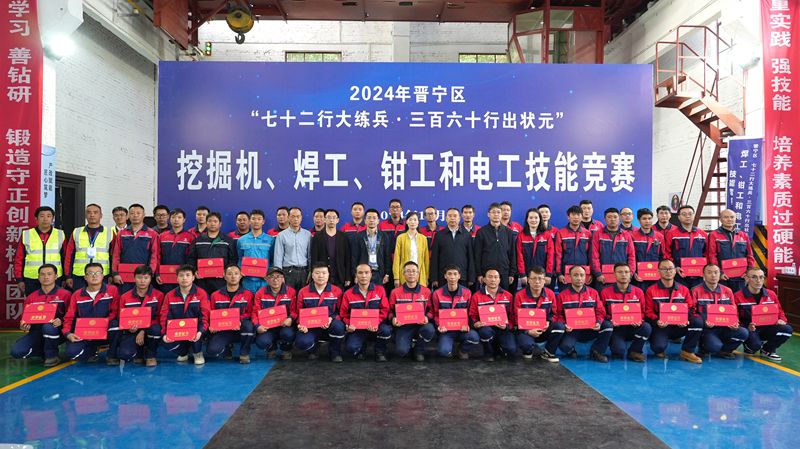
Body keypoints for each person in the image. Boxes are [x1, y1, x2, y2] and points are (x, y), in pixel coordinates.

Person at [10, 264, 72, 367]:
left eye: (49, 274)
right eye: (42, 274)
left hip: (58, 331)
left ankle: (52, 356)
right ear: (38, 277)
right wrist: (24, 325)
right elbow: (24, 319)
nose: (46, 277)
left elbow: (71, 316)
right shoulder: (31, 297)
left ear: (56, 276)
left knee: (48, 327)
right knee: (17, 352)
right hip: (37, 332)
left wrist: (61, 321)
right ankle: (44, 351)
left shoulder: (66, 295)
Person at [644, 259, 703, 363]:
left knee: (697, 321)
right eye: (664, 269)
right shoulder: (651, 290)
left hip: (680, 326)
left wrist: (685, 319)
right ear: (658, 271)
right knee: (658, 348)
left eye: (671, 268)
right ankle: (658, 346)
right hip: (661, 327)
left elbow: (691, 308)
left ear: (675, 271)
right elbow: (648, 311)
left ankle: (687, 351)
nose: (668, 271)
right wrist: (657, 321)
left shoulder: (684, 289)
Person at [62, 263, 121, 363]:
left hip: (105, 331)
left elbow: (115, 312)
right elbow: (69, 317)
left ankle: (112, 355)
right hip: (85, 333)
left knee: (116, 325)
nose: (94, 276)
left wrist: (101, 324)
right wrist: (67, 333)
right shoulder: (77, 294)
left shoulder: (112, 290)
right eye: (90, 273)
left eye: (98, 273)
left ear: (102, 276)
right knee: (72, 353)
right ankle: (91, 351)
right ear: (85, 277)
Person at [734, 268, 793, 361]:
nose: (758, 280)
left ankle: (768, 349)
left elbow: (780, 311)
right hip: (750, 329)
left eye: (761, 277)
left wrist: (782, 320)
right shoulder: (737, 296)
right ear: (747, 278)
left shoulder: (771, 294)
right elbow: (735, 317)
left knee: (787, 329)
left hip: (768, 328)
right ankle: (751, 345)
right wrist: (745, 327)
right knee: (754, 347)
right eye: (754, 277)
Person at [555, 266, 611, 363]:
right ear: (569, 277)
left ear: (586, 277)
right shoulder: (562, 295)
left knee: (607, 326)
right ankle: (570, 350)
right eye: (575, 275)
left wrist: (598, 322)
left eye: (582, 275)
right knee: (565, 346)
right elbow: (558, 315)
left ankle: (597, 351)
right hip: (572, 331)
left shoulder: (593, 293)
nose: (579, 278)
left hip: (591, 329)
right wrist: (565, 325)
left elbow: (600, 312)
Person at [691, 264, 748, 359]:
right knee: (714, 347)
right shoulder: (695, 291)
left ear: (720, 274)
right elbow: (693, 312)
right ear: (703, 275)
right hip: (707, 329)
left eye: (716, 272)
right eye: (709, 272)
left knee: (743, 333)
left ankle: (726, 350)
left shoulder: (728, 291)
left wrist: (735, 322)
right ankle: (703, 346)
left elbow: (733, 311)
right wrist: (704, 322)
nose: (713, 275)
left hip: (725, 327)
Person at [292, 263, 345, 362]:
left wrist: (331, 318)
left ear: (328, 274)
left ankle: (335, 352)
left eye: (324, 273)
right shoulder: (303, 292)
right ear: (312, 275)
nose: (321, 276)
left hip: (329, 325)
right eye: (317, 273)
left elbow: (340, 312)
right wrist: (300, 324)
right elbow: (298, 312)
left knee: (339, 327)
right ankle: (313, 350)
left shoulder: (337, 291)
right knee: (302, 342)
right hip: (310, 327)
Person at [113, 265, 163, 367]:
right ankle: (139, 352)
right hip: (132, 330)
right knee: (125, 354)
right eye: (139, 277)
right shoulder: (125, 297)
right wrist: (129, 328)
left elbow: (160, 317)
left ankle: (150, 355)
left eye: (146, 278)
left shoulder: (159, 295)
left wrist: (144, 330)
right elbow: (121, 317)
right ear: (134, 278)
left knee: (156, 329)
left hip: (150, 330)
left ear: (151, 279)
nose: (142, 281)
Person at [160, 265, 210, 365]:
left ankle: (197, 353)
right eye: (181, 275)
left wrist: (201, 331)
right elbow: (164, 315)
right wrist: (165, 333)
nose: (184, 278)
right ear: (177, 278)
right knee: (163, 340)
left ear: (193, 277)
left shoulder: (201, 293)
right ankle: (183, 353)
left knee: (198, 337)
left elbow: (205, 315)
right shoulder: (169, 295)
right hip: (177, 330)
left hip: (195, 330)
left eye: (188, 275)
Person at [511, 266, 563, 362]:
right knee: (526, 346)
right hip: (526, 331)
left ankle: (548, 352)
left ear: (544, 281)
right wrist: (528, 331)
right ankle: (528, 350)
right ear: (528, 280)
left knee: (559, 327)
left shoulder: (550, 294)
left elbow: (555, 314)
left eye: (540, 278)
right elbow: (516, 317)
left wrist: (549, 322)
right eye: (534, 278)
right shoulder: (519, 295)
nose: (537, 282)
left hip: (544, 329)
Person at [341, 264, 392, 361]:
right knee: (351, 348)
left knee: (386, 330)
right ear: (356, 275)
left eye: (366, 272)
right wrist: (348, 324)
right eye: (360, 273)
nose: (363, 276)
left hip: (376, 327)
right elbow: (344, 314)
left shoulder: (380, 290)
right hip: (357, 329)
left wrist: (377, 322)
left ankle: (380, 352)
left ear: (371, 274)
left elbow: (385, 310)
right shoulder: (348, 293)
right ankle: (361, 349)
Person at [600, 264, 651, 362]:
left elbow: (643, 311)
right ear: (614, 274)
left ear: (630, 274)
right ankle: (615, 346)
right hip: (616, 329)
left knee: (646, 327)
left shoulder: (638, 292)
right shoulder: (605, 292)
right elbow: (602, 312)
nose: (623, 274)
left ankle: (635, 351)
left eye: (626, 272)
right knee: (619, 351)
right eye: (620, 272)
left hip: (633, 327)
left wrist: (639, 320)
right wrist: (611, 320)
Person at [207, 265, 255, 363]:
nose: (233, 276)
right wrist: (212, 325)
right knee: (212, 351)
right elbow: (211, 314)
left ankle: (244, 353)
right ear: (224, 276)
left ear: (240, 276)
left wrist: (239, 320)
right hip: (223, 330)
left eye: (236, 274)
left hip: (240, 328)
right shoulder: (215, 295)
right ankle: (227, 347)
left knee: (249, 326)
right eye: (229, 274)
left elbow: (250, 313)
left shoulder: (248, 294)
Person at [389, 261, 435, 361]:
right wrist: (393, 319)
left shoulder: (426, 291)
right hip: (404, 327)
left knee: (429, 329)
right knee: (401, 352)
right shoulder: (395, 292)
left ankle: (419, 350)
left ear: (418, 274)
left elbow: (432, 311)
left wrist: (427, 317)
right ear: (403, 274)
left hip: (421, 325)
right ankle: (408, 345)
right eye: (408, 271)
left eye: (414, 271)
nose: (411, 274)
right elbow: (390, 311)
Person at [15, 206, 65, 295]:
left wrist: (65, 277)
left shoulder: (60, 234)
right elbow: (19, 258)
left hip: (54, 278)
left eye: (49, 216)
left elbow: (65, 258)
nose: (45, 219)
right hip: (32, 278)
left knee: (54, 302)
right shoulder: (27, 234)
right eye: (42, 216)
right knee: (33, 302)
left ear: (53, 219)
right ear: (36, 218)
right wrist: (19, 279)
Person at [431, 265, 478, 359]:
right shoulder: (437, 293)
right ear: (445, 276)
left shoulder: (467, 293)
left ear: (459, 276)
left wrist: (468, 325)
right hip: (446, 331)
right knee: (443, 352)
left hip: (462, 330)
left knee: (474, 337)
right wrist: (439, 325)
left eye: (455, 274)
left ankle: (462, 350)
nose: (452, 277)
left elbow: (470, 313)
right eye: (449, 274)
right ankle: (447, 346)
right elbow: (436, 314)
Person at [111, 204, 160, 294]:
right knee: (125, 299)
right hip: (124, 276)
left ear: (143, 215)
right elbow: (116, 254)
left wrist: (150, 273)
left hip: (143, 276)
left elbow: (154, 255)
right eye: (132, 213)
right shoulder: (121, 233)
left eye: (138, 213)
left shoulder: (152, 233)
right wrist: (115, 273)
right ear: (128, 216)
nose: (135, 215)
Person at [64, 203, 112, 292]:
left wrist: (112, 275)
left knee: (100, 299)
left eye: (95, 212)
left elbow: (113, 256)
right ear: (85, 215)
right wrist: (68, 276)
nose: (92, 215)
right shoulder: (77, 232)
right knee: (80, 298)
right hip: (80, 275)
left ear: (101, 215)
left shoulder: (110, 232)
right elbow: (69, 255)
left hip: (102, 275)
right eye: (89, 212)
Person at [470, 268, 516, 361]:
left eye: (496, 277)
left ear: (499, 279)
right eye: (490, 277)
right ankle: (488, 351)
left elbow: (513, 316)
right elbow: (472, 315)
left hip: (503, 329)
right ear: (484, 279)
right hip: (486, 328)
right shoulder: (476, 296)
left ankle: (498, 348)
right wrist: (475, 323)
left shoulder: (508, 296)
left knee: (511, 349)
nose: (493, 280)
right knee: (485, 332)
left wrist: (507, 326)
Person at [252, 267, 297, 360]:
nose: (275, 280)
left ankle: (286, 349)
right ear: (266, 279)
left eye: (278, 276)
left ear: (283, 278)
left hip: (284, 326)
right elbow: (255, 312)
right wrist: (257, 326)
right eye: (271, 276)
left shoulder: (291, 292)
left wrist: (291, 318)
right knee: (262, 342)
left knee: (288, 334)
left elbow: (295, 311)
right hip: (267, 328)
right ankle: (271, 348)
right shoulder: (260, 293)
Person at [708, 209, 756, 293]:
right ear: (720, 219)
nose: (729, 219)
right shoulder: (714, 235)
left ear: (735, 219)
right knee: (724, 299)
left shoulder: (743, 235)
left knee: (740, 298)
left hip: (741, 277)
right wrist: (719, 273)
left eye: (732, 217)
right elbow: (712, 255)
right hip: (723, 277)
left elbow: (749, 255)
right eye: (726, 217)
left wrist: (749, 272)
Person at [190, 212, 237, 294]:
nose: (212, 224)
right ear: (206, 223)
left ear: (220, 224)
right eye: (210, 221)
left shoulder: (227, 240)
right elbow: (191, 258)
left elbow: (233, 259)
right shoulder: (198, 240)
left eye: (215, 221)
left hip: (221, 280)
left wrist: (227, 271)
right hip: (202, 280)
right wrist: (194, 270)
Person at [590, 208, 636, 289]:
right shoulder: (598, 234)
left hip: (622, 277)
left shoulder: (626, 235)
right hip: (603, 278)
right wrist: (598, 273)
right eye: (609, 217)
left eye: (615, 217)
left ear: (619, 218)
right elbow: (594, 256)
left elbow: (631, 256)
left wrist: (630, 274)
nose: (612, 219)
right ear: (605, 219)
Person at [474, 203, 516, 290]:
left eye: (498, 212)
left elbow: (512, 254)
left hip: (504, 272)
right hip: (487, 273)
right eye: (493, 212)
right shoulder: (481, 232)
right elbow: (477, 255)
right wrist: (479, 274)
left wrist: (512, 273)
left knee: (504, 296)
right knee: (487, 297)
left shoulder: (509, 232)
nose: (496, 214)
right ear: (488, 214)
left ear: (501, 214)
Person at [665, 205, 708, 289]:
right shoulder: (671, 234)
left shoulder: (702, 234)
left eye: (690, 214)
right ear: (679, 217)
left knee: (697, 295)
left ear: (694, 215)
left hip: (698, 275)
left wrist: (705, 268)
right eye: (684, 214)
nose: (687, 216)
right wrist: (674, 267)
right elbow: (666, 252)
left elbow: (707, 253)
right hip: (679, 274)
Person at [429, 208, 474, 288]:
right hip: (443, 277)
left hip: (462, 276)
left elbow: (470, 257)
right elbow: (434, 257)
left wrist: (471, 277)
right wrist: (434, 278)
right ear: (446, 218)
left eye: (455, 216)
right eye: (450, 216)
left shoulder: (466, 235)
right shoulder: (439, 235)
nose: (452, 218)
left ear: (459, 218)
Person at [310, 209, 352, 288]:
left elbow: (347, 258)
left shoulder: (343, 237)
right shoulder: (317, 236)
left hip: (339, 275)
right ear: (324, 219)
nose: (331, 220)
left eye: (334, 217)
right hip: (322, 276)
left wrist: (348, 277)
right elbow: (314, 258)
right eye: (329, 217)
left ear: (337, 220)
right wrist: (314, 275)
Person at [156, 208, 195, 293]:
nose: (176, 220)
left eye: (179, 217)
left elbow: (192, 258)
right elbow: (157, 256)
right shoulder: (162, 236)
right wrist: (157, 273)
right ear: (169, 219)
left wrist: (189, 274)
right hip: (165, 275)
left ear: (184, 220)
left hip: (183, 277)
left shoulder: (190, 237)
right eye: (173, 217)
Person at [554, 205, 593, 290]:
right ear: (568, 217)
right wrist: (559, 273)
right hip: (565, 274)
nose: (576, 217)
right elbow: (558, 255)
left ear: (581, 216)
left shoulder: (587, 234)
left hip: (583, 274)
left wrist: (591, 273)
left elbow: (591, 255)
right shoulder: (561, 233)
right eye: (573, 215)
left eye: (578, 215)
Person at [273, 207, 312, 292]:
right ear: (288, 217)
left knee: (303, 296)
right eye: (293, 216)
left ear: (301, 217)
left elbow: (310, 255)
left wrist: (310, 271)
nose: (296, 219)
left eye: (298, 216)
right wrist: (279, 275)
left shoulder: (307, 234)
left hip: (304, 272)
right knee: (288, 296)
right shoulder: (281, 235)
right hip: (288, 272)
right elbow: (278, 257)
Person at [236, 209, 275, 293]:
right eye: (253, 219)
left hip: (264, 281)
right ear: (249, 221)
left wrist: (269, 274)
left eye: (259, 219)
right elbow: (239, 259)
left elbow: (272, 260)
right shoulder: (241, 240)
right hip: (247, 280)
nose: (256, 221)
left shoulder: (270, 240)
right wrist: (240, 271)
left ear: (263, 222)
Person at [516, 208, 555, 289]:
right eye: (531, 218)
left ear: (540, 219)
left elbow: (550, 256)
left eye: (536, 218)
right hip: (527, 275)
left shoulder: (547, 235)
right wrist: (522, 274)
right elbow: (519, 256)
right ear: (527, 220)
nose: (533, 220)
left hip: (543, 275)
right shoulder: (521, 236)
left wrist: (548, 274)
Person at [353, 209, 392, 286]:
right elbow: (354, 257)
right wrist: (355, 274)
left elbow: (387, 256)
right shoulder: (358, 236)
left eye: (374, 218)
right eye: (369, 218)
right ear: (365, 221)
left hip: (379, 273)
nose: (371, 220)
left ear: (378, 221)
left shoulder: (384, 236)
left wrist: (387, 274)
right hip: (363, 273)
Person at [631, 208, 665, 291]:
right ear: (639, 220)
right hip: (638, 276)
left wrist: (661, 271)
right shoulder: (632, 236)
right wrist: (633, 272)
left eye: (649, 218)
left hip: (655, 275)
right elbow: (631, 256)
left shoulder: (659, 236)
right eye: (644, 219)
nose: (647, 221)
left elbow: (662, 256)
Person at [393, 211, 430, 287]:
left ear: (418, 222)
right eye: (410, 219)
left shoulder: (423, 238)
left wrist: (426, 277)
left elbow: (426, 260)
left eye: (415, 220)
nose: (413, 222)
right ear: (406, 222)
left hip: (419, 274)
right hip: (405, 273)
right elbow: (396, 258)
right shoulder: (400, 238)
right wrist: (396, 277)